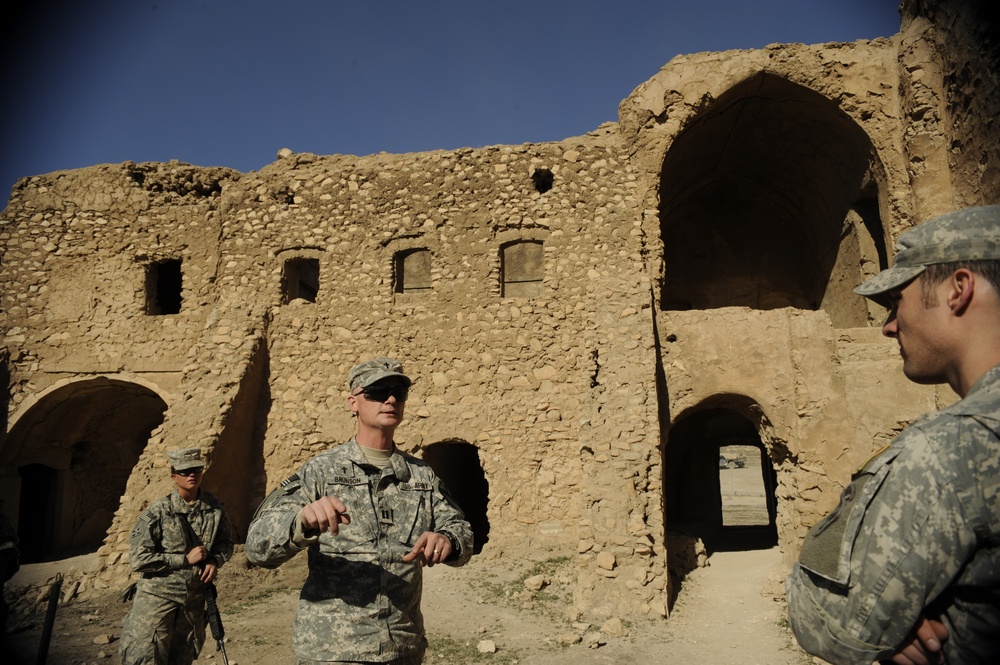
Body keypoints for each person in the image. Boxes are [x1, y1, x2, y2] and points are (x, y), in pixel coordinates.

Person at [786, 205, 1000, 665]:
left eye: (895, 302)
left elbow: (823, 616)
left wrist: (904, 614)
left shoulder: (953, 448)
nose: (886, 327)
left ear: (958, 290)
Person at [246, 357, 473, 664]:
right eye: (378, 391)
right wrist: (302, 522)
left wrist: (448, 539)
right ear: (353, 403)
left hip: (402, 649)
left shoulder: (421, 476)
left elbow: (460, 528)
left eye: (398, 392)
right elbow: (257, 546)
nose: (391, 399)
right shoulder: (321, 471)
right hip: (335, 651)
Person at [120, 448, 234, 665]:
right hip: (157, 601)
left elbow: (226, 542)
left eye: (197, 469)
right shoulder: (159, 512)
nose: (192, 474)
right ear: (173, 475)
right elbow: (138, 559)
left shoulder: (214, 508)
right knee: (147, 657)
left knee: (182, 658)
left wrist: (214, 560)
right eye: (185, 471)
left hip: (192, 602)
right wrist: (182, 559)